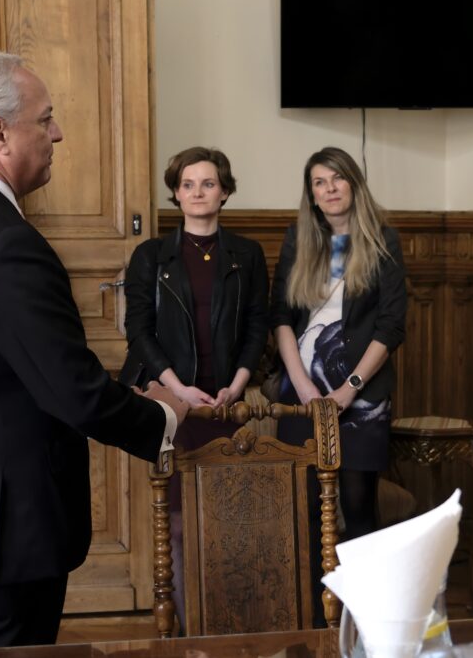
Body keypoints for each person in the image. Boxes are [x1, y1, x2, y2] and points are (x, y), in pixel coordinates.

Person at [0, 51, 189, 650]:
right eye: (45, 118)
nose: (58, 133)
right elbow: (75, 394)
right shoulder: (8, 244)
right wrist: (166, 416)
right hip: (2, 551)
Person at [123, 145, 269, 632]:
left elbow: (257, 326)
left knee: (230, 522)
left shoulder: (247, 254)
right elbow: (138, 331)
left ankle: (228, 625)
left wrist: (238, 386)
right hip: (175, 404)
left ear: (224, 192)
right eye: (187, 184)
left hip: (228, 404)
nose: (198, 192)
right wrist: (178, 389)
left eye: (208, 183)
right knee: (179, 524)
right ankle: (188, 632)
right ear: (176, 193)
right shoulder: (151, 256)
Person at [270, 146, 406, 574]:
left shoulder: (383, 240)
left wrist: (350, 390)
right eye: (319, 182)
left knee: (359, 508)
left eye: (337, 178)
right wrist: (303, 387)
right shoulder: (297, 240)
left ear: (354, 183)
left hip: (362, 399)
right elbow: (281, 318)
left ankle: (361, 612)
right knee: (306, 509)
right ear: (311, 194)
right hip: (301, 395)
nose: (330, 189)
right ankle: (314, 609)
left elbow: (391, 326)